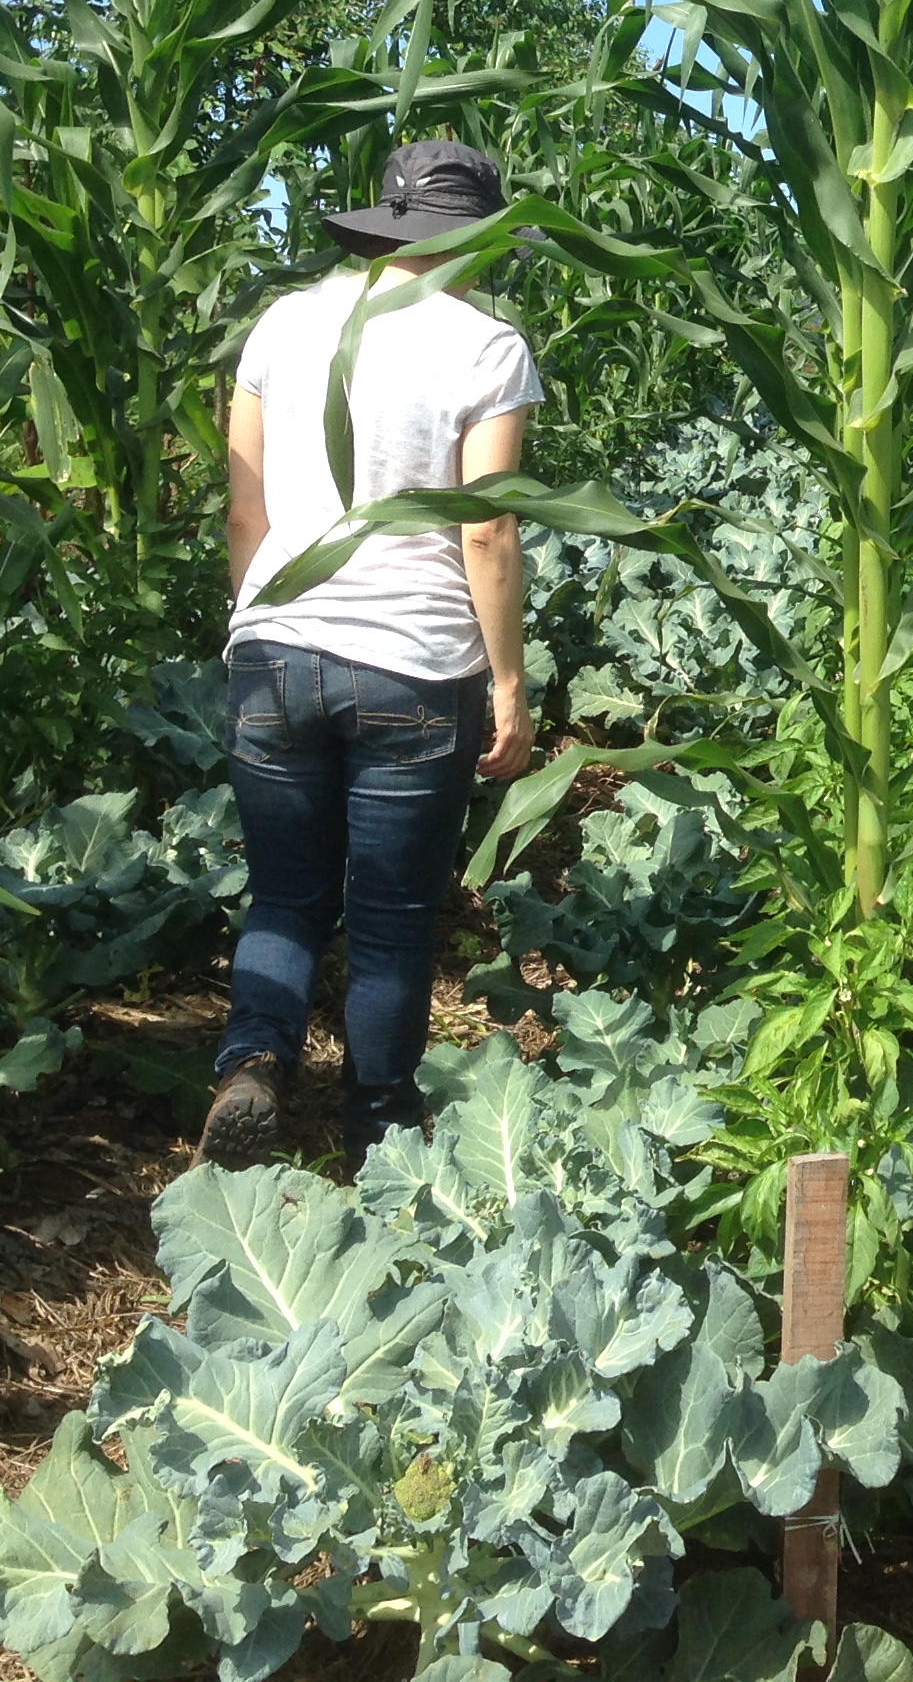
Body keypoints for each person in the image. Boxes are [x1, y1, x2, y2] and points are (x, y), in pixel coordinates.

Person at [201, 139, 540, 1165]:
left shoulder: (286, 322)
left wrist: (254, 623)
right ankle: (380, 1131)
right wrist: (511, 686)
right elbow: (485, 529)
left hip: (275, 649)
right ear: (472, 236)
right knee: (391, 918)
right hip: (412, 666)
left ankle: (253, 1063)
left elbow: (244, 506)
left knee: (286, 893)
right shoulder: (487, 348)